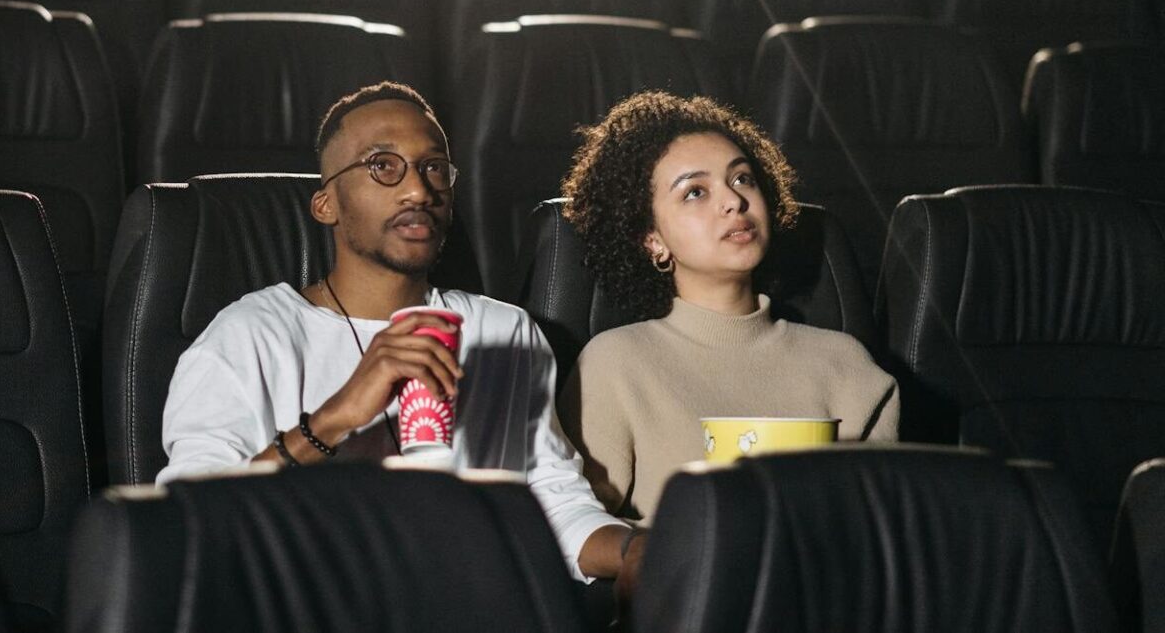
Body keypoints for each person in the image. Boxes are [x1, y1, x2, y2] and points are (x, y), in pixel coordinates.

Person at [158, 82, 640, 583]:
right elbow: (190, 531)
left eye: (433, 167)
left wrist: (641, 552)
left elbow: (554, 505)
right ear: (326, 205)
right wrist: (331, 420)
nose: (419, 190)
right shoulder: (249, 335)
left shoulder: (502, 331)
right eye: (382, 166)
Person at [557, 90, 899, 523]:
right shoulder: (615, 364)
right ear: (652, 239)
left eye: (742, 179)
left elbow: (882, 527)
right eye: (695, 192)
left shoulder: (846, 364)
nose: (734, 202)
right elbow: (579, 528)